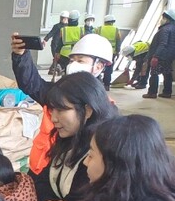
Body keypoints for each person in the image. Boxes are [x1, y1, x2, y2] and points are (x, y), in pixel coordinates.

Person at [34, 72, 118, 201]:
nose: (53, 118)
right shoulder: (67, 141)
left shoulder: (102, 153)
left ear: (87, 110)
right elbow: (40, 178)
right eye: (52, 110)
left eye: (62, 109)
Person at [10, 31, 114, 175]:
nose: (54, 118)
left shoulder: (106, 114)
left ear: (99, 67)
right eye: (72, 60)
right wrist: (21, 56)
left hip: (64, 179)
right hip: (43, 170)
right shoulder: (59, 92)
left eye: (81, 60)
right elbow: (33, 84)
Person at [143, 9, 175, 99]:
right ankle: (167, 92)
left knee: (154, 73)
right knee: (167, 73)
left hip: (161, 55)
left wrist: (156, 56)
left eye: (163, 17)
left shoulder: (165, 29)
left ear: (167, 18)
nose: (162, 19)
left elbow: (162, 43)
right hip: (171, 55)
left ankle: (152, 92)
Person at [97, 16, 122, 90]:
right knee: (108, 68)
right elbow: (118, 41)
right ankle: (106, 85)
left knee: (98, 66)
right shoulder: (116, 29)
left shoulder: (99, 29)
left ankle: (97, 83)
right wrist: (118, 51)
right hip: (111, 52)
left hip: (100, 51)